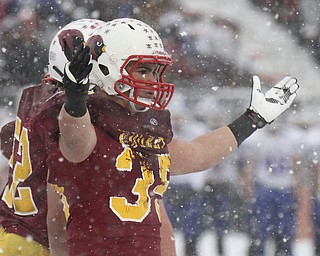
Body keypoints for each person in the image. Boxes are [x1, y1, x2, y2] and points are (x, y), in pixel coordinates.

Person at [28, 17, 298, 255]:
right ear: (108, 69)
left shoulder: (145, 132)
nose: (153, 82)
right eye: (143, 71)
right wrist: (75, 100)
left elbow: (199, 153)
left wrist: (251, 120)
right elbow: (76, 140)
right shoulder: (86, 128)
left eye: (156, 73)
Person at [240, 124, 300, 256]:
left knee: (285, 231)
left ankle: (282, 252)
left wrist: (296, 185)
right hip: (265, 187)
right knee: (260, 230)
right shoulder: (257, 139)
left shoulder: (290, 139)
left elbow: (296, 164)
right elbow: (249, 164)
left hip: (284, 187)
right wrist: (249, 185)